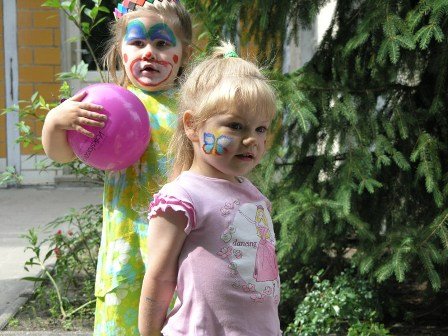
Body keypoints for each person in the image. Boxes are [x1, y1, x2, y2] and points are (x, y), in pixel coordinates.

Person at [41, 1, 193, 334]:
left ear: (183, 54)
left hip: (176, 250)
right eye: (137, 42)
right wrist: (55, 122)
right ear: (122, 53)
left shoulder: (190, 110)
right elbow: (62, 154)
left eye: (162, 43)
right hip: (124, 248)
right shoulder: (106, 104)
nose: (149, 52)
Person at [138, 41, 281, 336]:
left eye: (260, 129)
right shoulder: (182, 198)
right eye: (236, 126)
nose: (252, 139)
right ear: (192, 126)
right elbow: (158, 279)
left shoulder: (256, 198)